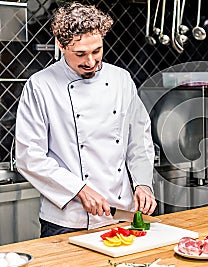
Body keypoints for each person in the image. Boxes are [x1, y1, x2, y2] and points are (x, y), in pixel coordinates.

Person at [15, 2, 157, 237]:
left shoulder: (121, 79)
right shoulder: (41, 85)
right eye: (80, 54)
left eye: (96, 51)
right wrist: (79, 189)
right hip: (67, 218)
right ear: (61, 46)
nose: (90, 61)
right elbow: (29, 156)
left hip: (120, 212)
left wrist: (142, 182)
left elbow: (138, 139)